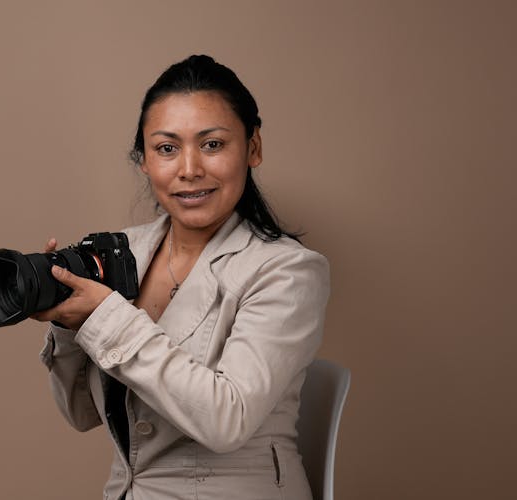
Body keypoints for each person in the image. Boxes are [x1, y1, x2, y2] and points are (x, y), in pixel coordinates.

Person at [33, 55, 330, 500]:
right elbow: (81, 414)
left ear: (253, 148)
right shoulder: (123, 254)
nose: (189, 168)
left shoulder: (287, 271)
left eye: (212, 145)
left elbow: (226, 420)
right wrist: (69, 323)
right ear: (145, 163)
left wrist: (105, 317)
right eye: (167, 148)